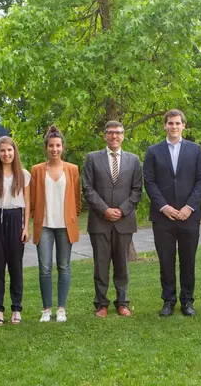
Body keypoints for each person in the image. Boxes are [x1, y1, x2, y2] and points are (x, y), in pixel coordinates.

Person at [144, 109, 201, 317]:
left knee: (188, 261)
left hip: (189, 216)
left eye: (177, 123)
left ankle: (187, 301)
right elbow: (150, 182)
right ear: (164, 126)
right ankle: (168, 301)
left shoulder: (196, 150)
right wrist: (164, 207)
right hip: (163, 217)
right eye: (170, 123)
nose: (174, 126)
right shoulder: (153, 151)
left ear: (183, 126)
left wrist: (189, 207)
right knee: (166, 261)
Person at [82, 121, 143, 318]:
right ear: (105, 136)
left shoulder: (134, 160)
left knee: (122, 265)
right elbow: (88, 189)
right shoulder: (92, 159)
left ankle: (122, 302)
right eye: (110, 133)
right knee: (101, 265)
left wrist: (122, 210)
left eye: (118, 133)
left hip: (124, 222)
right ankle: (101, 304)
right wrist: (105, 210)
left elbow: (137, 190)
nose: (114, 136)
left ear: (123, 136)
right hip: (100, 221)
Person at [30, 126, 81, 323]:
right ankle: (46, 309)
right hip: (44, 226)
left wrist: (71, 215)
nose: (54, 149)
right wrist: (36, 216)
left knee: (64, 266)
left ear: (63, 147)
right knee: (44, 268)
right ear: (46, 147)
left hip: (65, 226)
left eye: (58, 145)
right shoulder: (36, 170)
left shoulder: (72, 169)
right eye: (51, 146)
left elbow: (77, 199)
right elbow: (33, 198)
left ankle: (61, 308)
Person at [0, 136, 30, 326]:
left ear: (14, 152)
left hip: (16, 218)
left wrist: (25, 226)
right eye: (2, 151)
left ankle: (16, 308)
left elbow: (28, 203)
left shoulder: (23, 175)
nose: (6, 154)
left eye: (9, 150)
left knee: (16, 267)